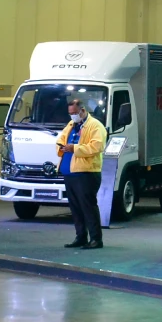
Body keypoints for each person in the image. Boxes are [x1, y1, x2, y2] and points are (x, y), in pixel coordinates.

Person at [58, 96, 107, 249]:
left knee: (88, 207)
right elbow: (61, 139)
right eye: (70, 113)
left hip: (86, 173)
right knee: (76, 209)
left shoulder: (95, 126)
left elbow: (97, 147)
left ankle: (96, 239)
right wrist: (61, 146)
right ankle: (81, 237)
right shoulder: (71, 125)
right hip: (70, 173)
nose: (72, 116)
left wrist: (74, 148)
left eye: (74, 113)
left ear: (83, 110)